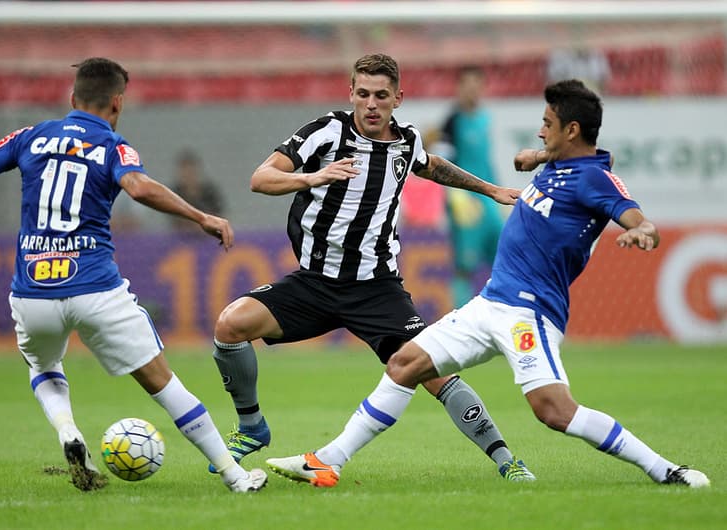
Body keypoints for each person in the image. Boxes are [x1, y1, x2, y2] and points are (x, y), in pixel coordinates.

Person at [266, 79, 710, 489]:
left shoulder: (595, 180)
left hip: (528, 311)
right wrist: (535, 157)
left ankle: (666, 469)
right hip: (490, 303)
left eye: (547, 124)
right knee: (405, 364)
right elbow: (539, 157)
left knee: (554, 411)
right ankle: (328, 459)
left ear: (571, 130)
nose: (539, 132)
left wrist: (641, 232)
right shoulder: (562, 160)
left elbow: (638, 218)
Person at [208, 53, 535, 484]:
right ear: (351, 94)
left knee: (433, 372)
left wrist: (490, 189)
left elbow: (434, 166)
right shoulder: (326, 132)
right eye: (363, 94)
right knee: (230, 326)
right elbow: (261, 178)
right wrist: (313, 177)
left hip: (376, 288)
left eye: (381, 95)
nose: (371, 104)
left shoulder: (407, 142)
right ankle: (252, 427)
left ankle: (506, 460)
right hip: (315, 282)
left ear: (398, 98)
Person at [0, 57, 267, 493]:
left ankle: (68, 431)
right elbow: (137, 186)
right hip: (95, 287)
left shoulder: (32, 135)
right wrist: (200, 216)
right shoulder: (114, 146)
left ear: (71, 97)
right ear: (118, 102)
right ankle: (234, 475)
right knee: (163, 383)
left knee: (41, 365)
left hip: (33, 291)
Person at [435, 64, 503, 306]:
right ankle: (460, 323)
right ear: (459, 88)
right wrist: (454, 198)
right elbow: (441, 165)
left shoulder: (486, 118)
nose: (472, 90)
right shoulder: (452, 122)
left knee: (501, 261)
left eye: (477, 85)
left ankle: (500, 319)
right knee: (464, 266)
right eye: (467, 85)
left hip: (490, 201)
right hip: (465, 202)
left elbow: (487, 161)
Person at [171, 149, 226, 233]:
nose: (188, 174)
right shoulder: (175, 193)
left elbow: (219, 214)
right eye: (185, 170)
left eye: (190, 170)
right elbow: (173, 219)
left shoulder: (209, 192)